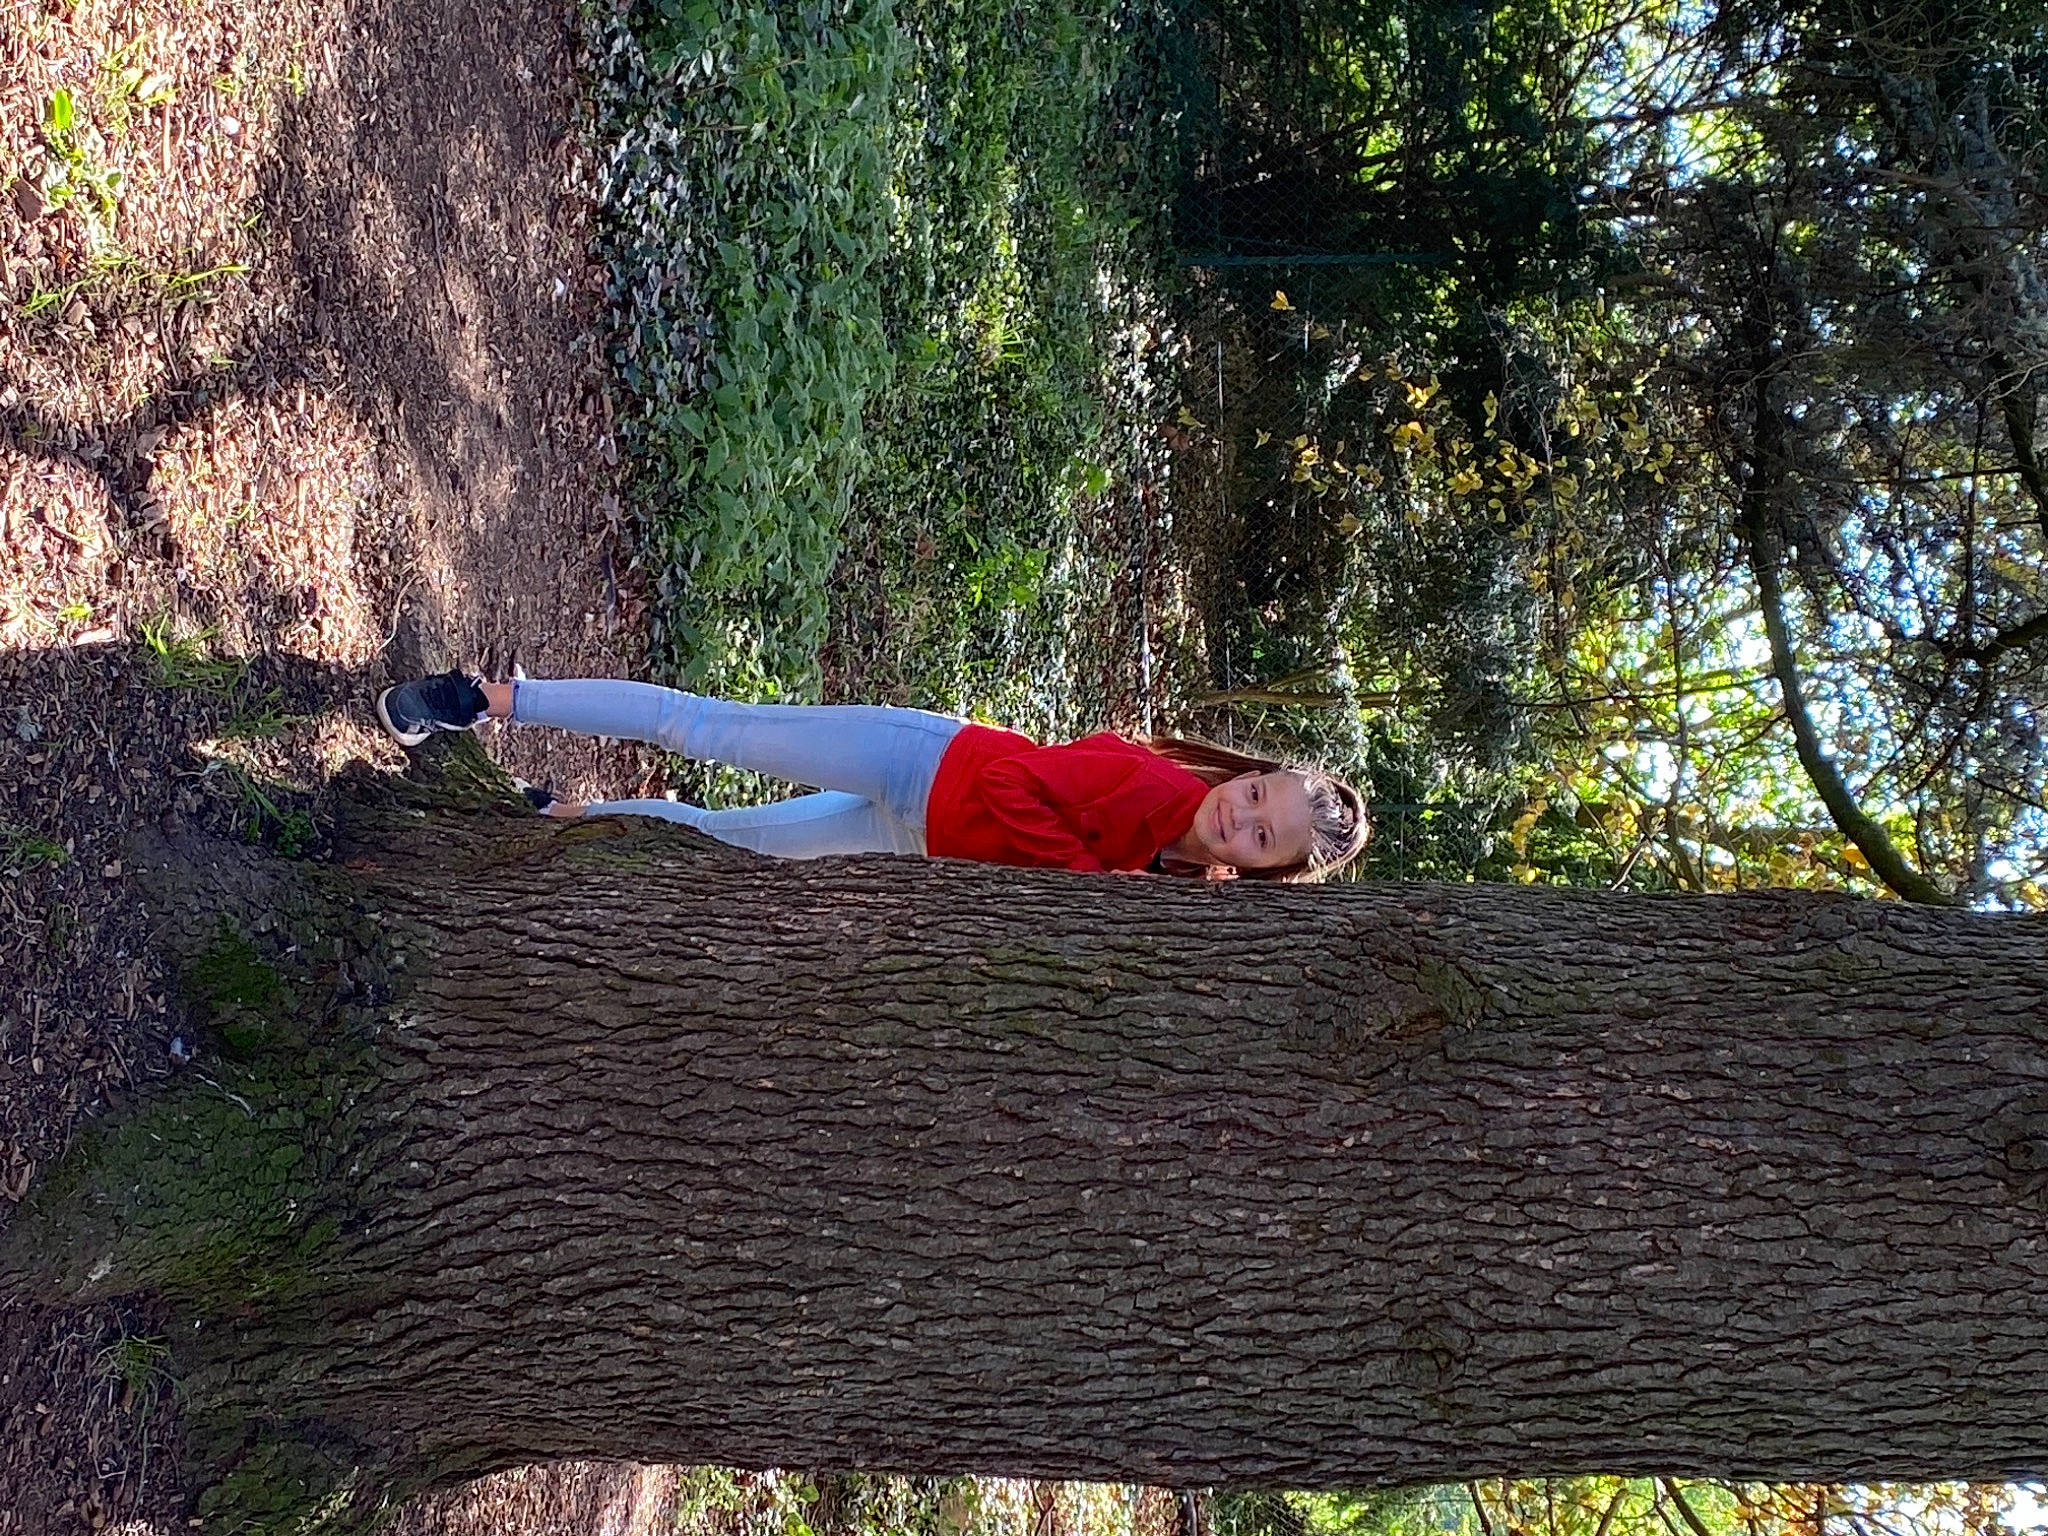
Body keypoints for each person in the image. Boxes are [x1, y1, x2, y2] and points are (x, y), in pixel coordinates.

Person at [376, 670, 1370, 881]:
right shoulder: (1150, 787)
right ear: (1249, 775)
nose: (1239, 816)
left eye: (1262, 835)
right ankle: (485, 699)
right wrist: (1081, 880)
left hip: (912, 840)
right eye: (1256, 794)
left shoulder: (1178, 883)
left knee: (725, 844)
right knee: (710, 727)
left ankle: (561, 814)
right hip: (920, 759)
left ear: (1263, 870)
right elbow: (1016, 788)